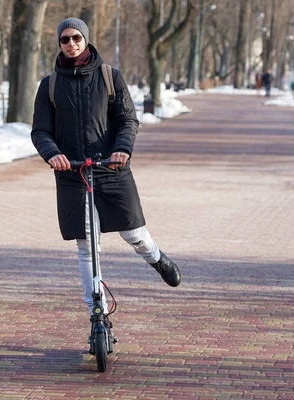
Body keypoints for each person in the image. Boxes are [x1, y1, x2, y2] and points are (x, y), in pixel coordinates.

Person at [31, 18, 181, 327]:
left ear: (85, 39)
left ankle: (156, 257)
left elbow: (128, 120)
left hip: (111, 168)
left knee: (133, 234)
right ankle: (96, 312)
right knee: (87, 246)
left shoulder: (110, 77)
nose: (71, 43)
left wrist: (122, 150)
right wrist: (53, 154)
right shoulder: (50, 85)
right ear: (59, 43)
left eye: (76, 37)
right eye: (65, 39)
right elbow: (40, 131)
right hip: (72, 173)